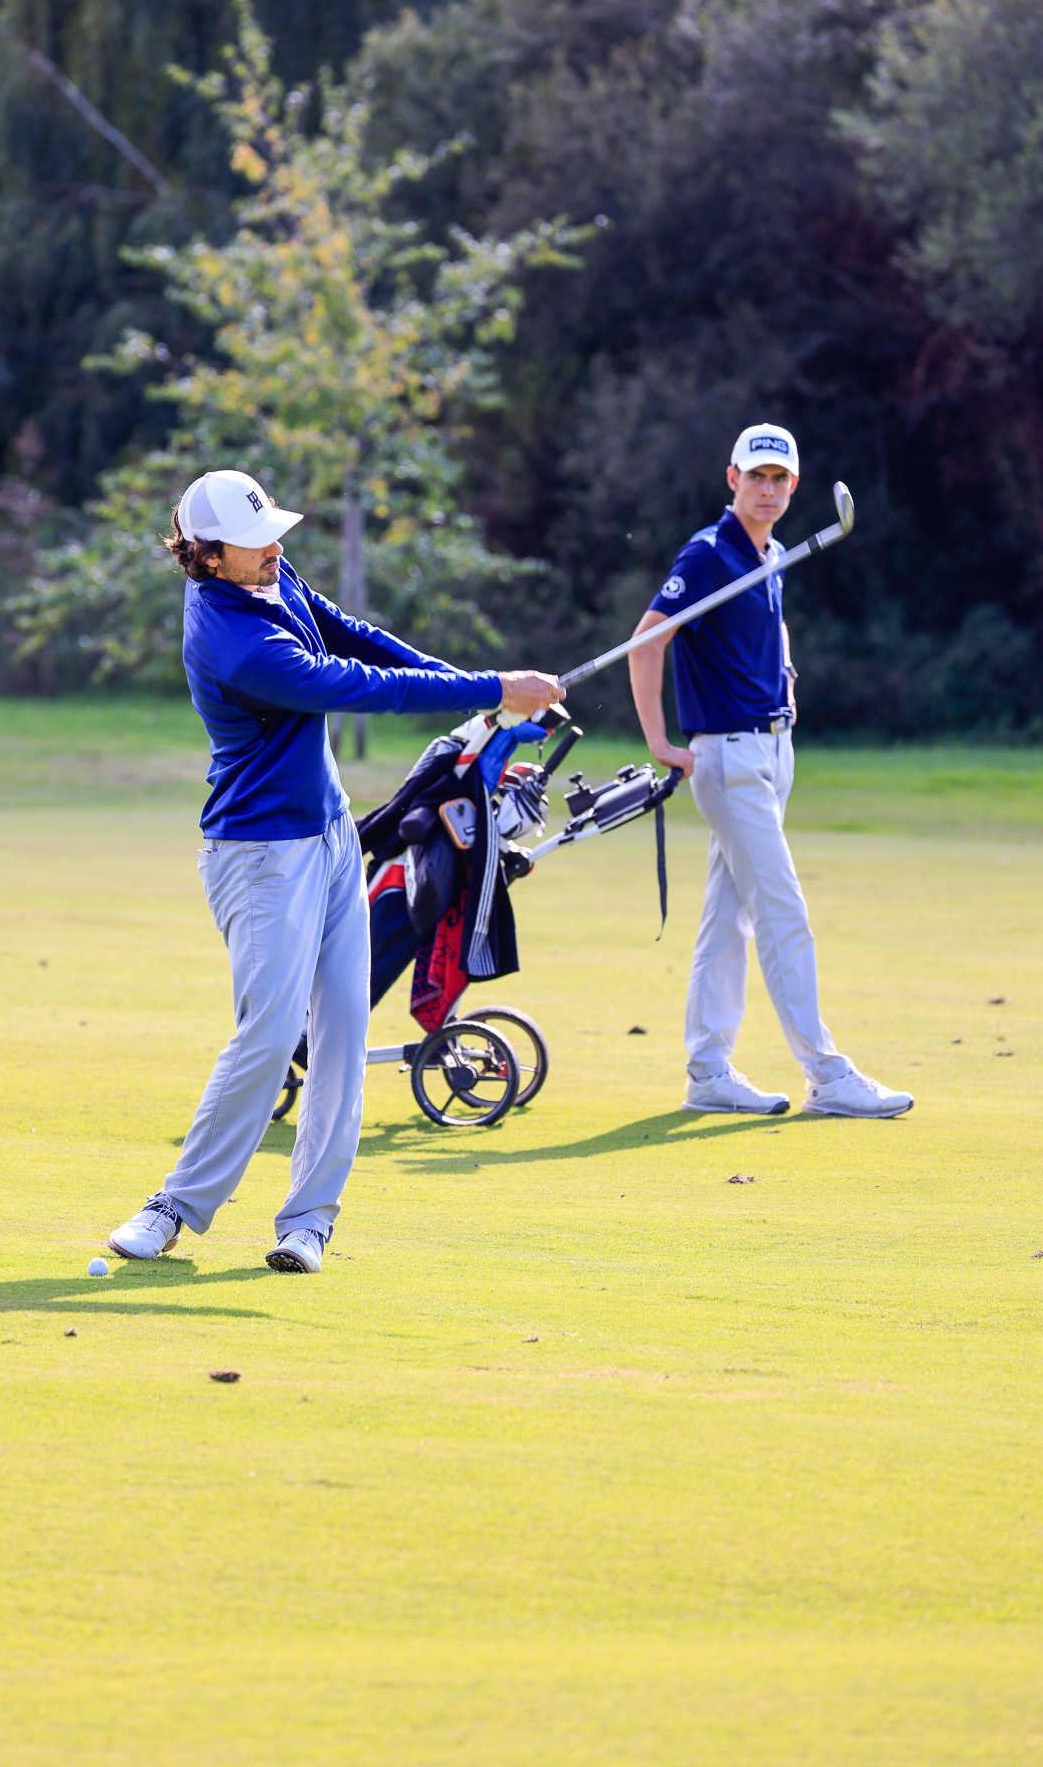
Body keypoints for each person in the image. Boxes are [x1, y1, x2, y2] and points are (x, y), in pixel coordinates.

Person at [109, 469, 564, 1272]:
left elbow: (356, 637)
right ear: (207, 556)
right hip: (260, 856)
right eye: (255, 543)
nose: (275, 550)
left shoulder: (268, 576)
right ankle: (173, 1208)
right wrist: (496, 685)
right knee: (270, 1034)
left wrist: (479, 706)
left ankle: (308, 1223)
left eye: (273, 535)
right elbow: (351, 685)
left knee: (342, 1033)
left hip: (328, 840)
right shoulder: (232, 640)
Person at [627, 423, 913, 1119]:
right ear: (732, 478)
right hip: (727, 756)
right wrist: (659, 740)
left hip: (769, 752)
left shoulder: (774, 553)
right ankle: (827, 1073)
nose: (767, 488)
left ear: (794, 484)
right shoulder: (707, 553)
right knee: (782, 911)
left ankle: (707, 1073)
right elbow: (647, 642)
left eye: (778, 478)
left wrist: (784, 678)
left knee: (728, 919)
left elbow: (767, 630)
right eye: (755, 476)